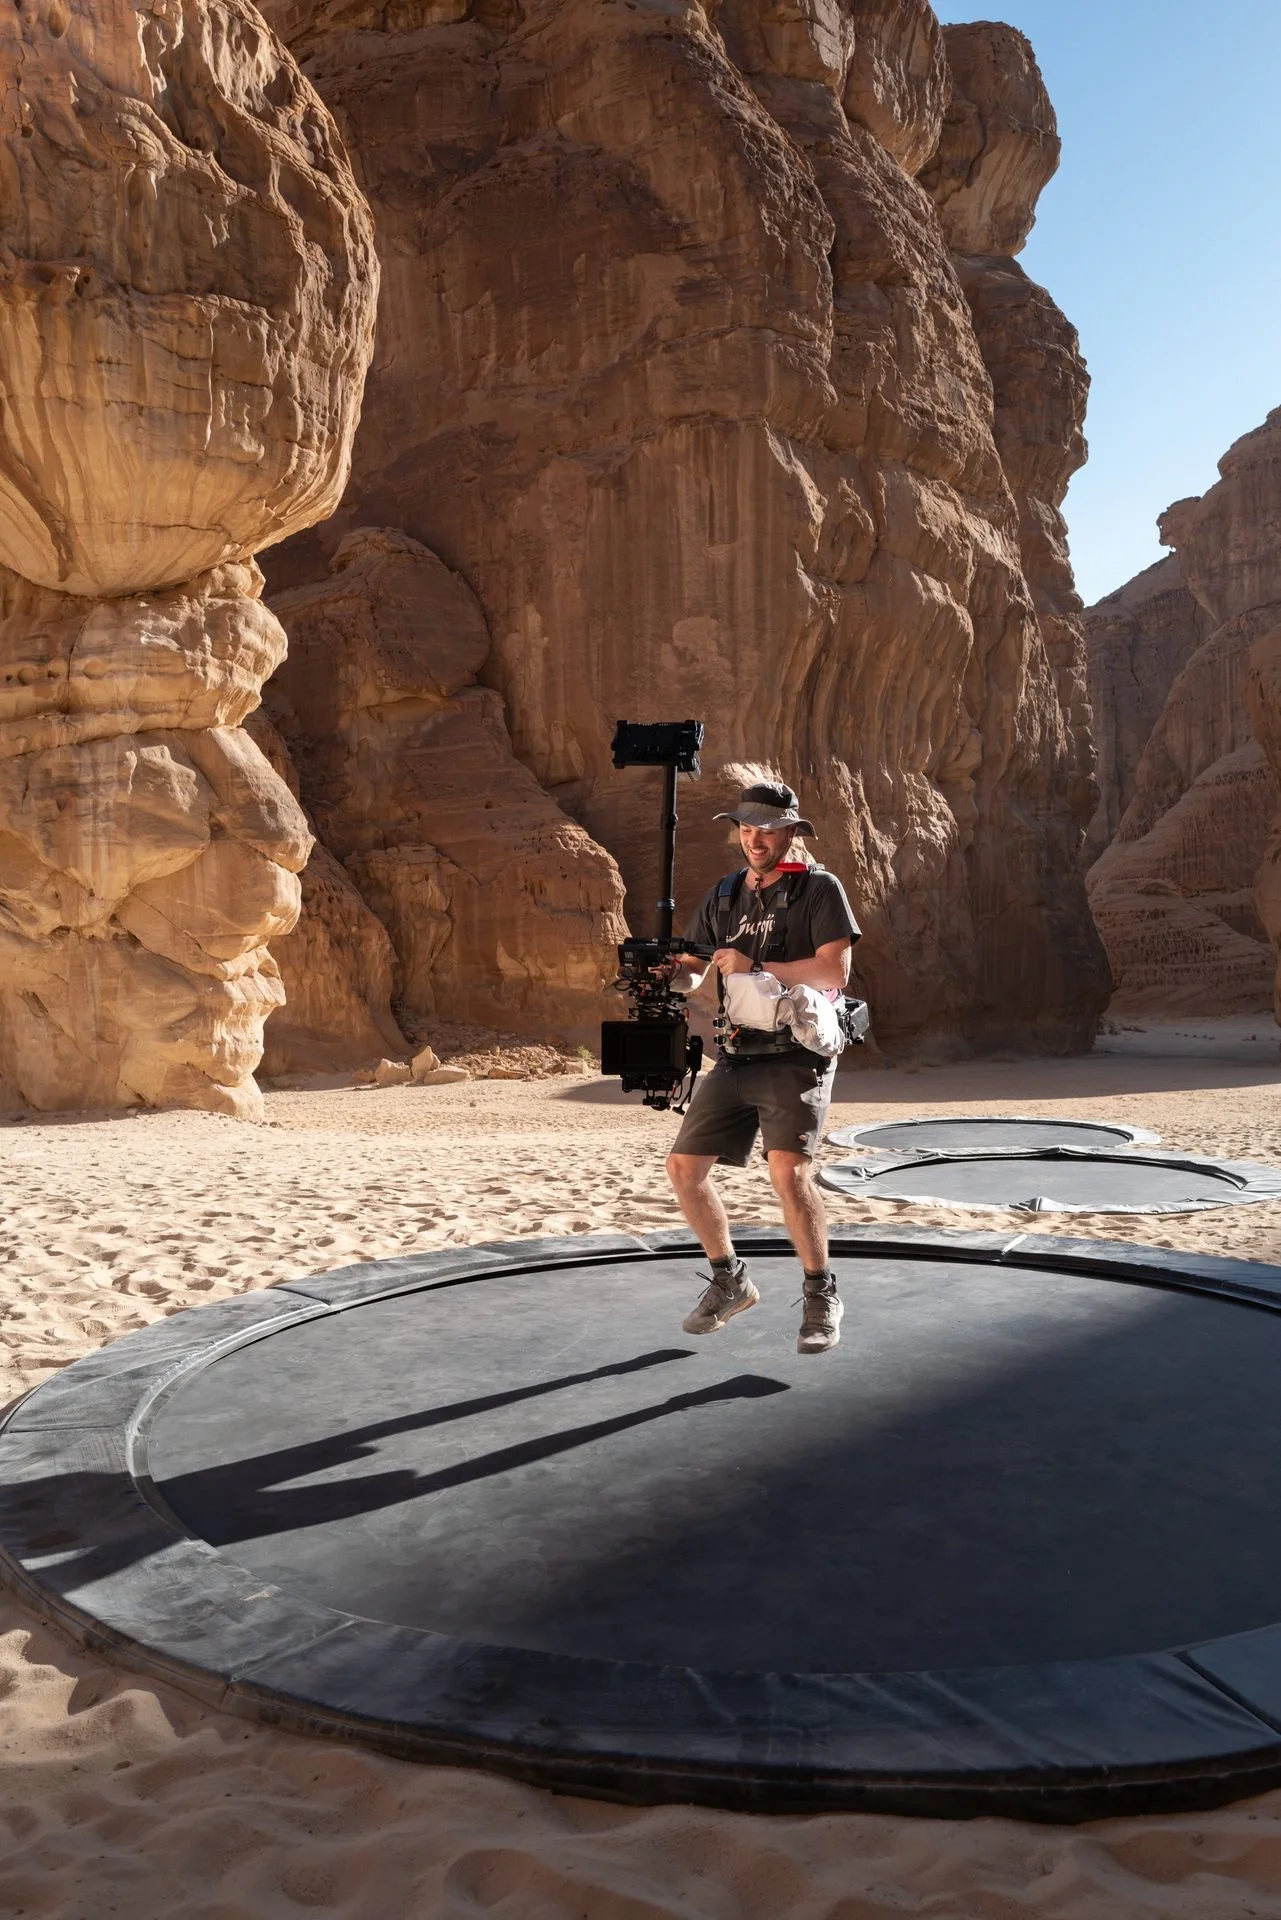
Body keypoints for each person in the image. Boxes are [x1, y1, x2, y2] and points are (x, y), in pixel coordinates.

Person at [661, 780, 860, 1354]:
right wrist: (666, 975)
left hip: (797, 1054)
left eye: (767, 830)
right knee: (683, 1169)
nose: (754, 839)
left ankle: (821, 1295)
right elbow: (694, 971)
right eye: (746, 828)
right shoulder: (724, 894)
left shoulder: (820, 890)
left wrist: (754, 962)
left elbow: (833, 974)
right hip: (737, 1051)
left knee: (788, 1174)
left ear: (791, 833)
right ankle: (730, 1281)